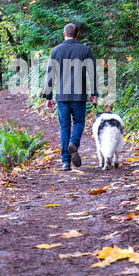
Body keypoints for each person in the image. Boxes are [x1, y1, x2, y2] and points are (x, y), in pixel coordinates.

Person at [43, 23, 98, 171]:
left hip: (62, 96)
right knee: (79, 122)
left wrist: (48, 96)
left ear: (63, 34)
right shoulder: (85, 50)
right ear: (77, 34)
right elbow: (92, 72)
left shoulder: (56, 51)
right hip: (79, 96)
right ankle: (74, 142)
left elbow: (49, 74)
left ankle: (66, 162)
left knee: (64, 127)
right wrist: (94, 93)